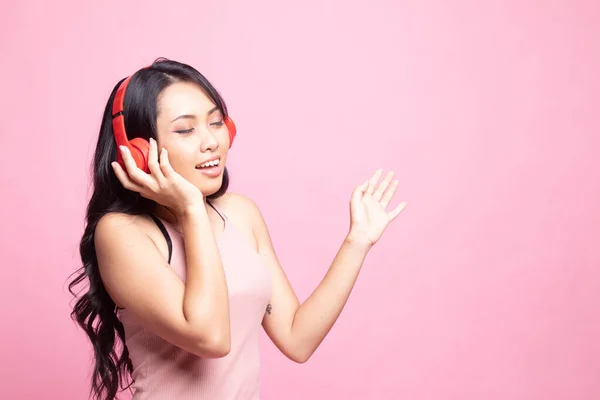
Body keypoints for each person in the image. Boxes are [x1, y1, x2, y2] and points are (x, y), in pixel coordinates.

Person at [68, 57, 406, 400]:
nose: (211, 141)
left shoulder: (241, 214)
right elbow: (211, 338)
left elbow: (296, 338)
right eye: (185, 129)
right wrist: (191, 210)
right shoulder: (121, 234)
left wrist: (357, 241)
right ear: (138, 151)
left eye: (216, 123)